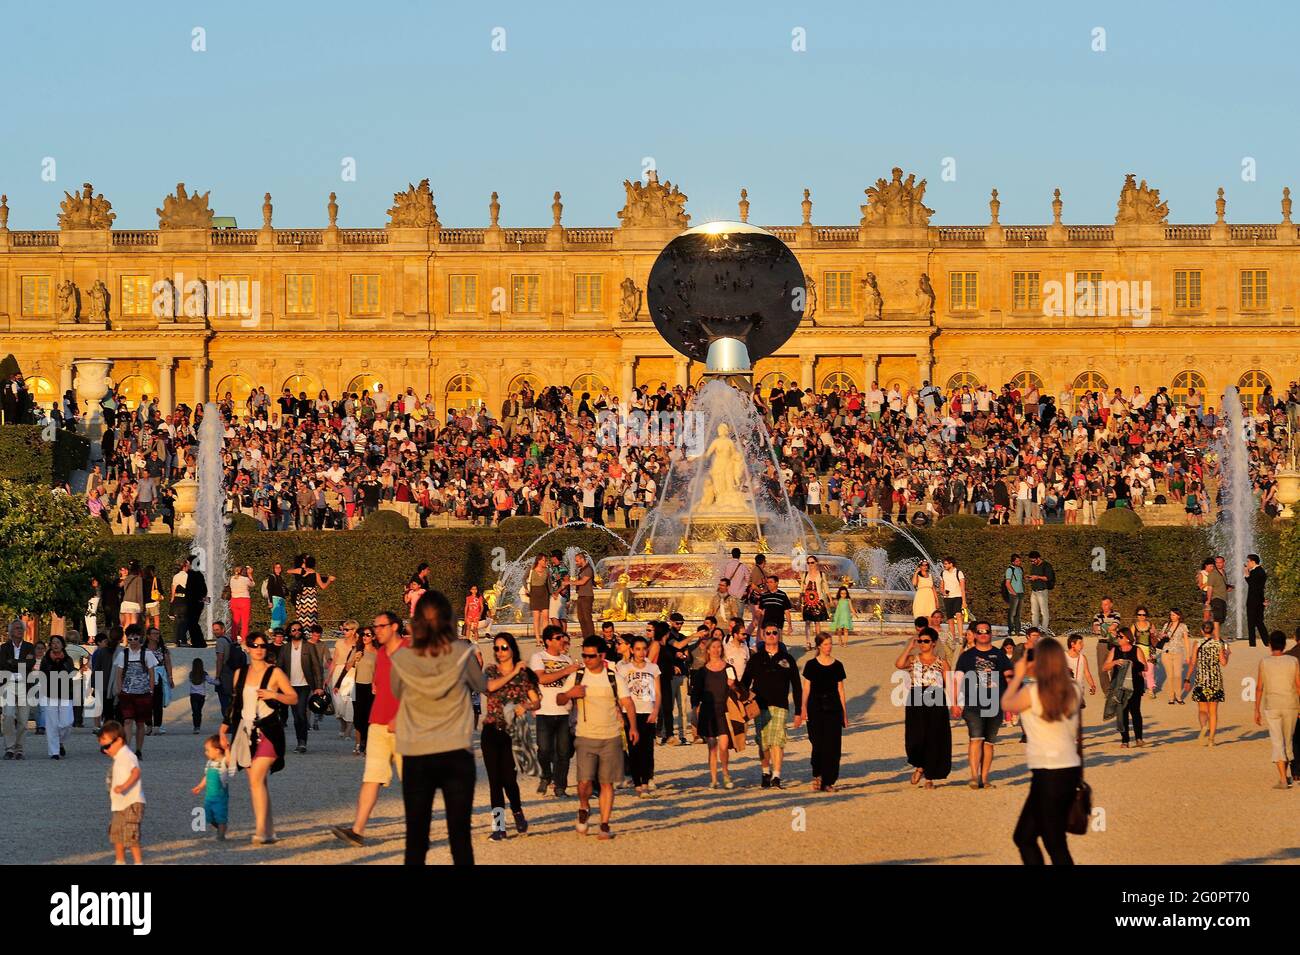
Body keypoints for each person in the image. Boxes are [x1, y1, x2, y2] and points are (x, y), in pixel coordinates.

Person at [390, 591, 486, 865]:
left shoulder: (402, 659)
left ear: (416, 621)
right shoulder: (462, 652)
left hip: (417, 752)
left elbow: (398, 692)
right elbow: (480, 685)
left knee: (416, 838)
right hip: (455, 750)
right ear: (449, 619)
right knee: (460, 837)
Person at [330, 612, 407, 848]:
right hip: (378, 724)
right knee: (371, 778)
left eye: (381, 626)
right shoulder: (382, 653)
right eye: (375, 627)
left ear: (394, 626)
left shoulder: (411, 650)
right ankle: (357, 830)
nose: (376, 631)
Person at [1002, 638, 1082, 865]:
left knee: (1051, 842)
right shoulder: (1074, 689)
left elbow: (1007, 704)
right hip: (1068, 770)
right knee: (1027, 837)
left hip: (1048, 773)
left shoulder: (1033, 692)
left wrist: (1018, 674)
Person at [557, 635, 637, 841]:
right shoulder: (577, 677)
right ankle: (584, 806)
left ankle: (604, 824)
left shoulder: (614, 678)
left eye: (590, 656)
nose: (586, 659)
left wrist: (633, 727)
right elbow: (559, 698)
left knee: (606, 783)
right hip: (585, 735)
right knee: (584, 783)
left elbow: (628, 703)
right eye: (584, 655)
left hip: (610, 736)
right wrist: (570, 694)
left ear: (602, 656)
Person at [220, 632, 296, 845]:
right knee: (258, 783)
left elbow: (293, 697)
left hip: (269, 731)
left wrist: (275, 695)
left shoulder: (276, 672)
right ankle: (269, 831)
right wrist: (223, 729)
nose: (259, 649)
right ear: (247, 647)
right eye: (254, 645)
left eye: (263, 645)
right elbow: (235, 704)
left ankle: (261, 830)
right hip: (246, 733)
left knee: (255, 781)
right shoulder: (240, 673)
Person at [481, 632, 539, 840]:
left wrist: (526, 705)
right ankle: (499, 827)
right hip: (490, 730)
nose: (500, 652)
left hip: (511, 733)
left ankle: (517, 810)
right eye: (496, 648)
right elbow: (490, 687)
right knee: (494, 781)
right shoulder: (490, 670)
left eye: (504, 647)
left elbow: (536, 700)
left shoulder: (524, 675)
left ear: (512, 648)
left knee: (508, 779)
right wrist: (513, 671)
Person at [741, 624, 802, 788]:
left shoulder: (787, 659)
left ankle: (776, 775)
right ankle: (766, 772)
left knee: (777, 740)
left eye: (774, 633)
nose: (771, 635)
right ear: (763, 635)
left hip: (781, 705)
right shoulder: (756, 658)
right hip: (760, 705)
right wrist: (741, 703)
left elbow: (796, 685)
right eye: (768, 633)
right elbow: (745, 682)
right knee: (763, 742)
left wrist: (799, 712)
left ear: (779, 635)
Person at [952, 620, 1009, 789]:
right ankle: (973, 776)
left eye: (987, 631)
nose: (984, 634)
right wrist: (954, 703)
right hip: (973, 704)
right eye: (980, 631)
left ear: (991, 634)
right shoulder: (967, 656)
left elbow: (1009, 676)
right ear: (975, 635)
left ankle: (984, 778)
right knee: (976, 738)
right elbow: (957, 681)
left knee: (989, 743)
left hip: (995, 704)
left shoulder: (999, 655)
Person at [895, 627, 951, 788]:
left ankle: (929, 777)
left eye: (926, 641)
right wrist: (909, 648)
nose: (922, 644)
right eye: (920, 641)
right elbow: (899, 664)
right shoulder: (913, 659)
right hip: (916, 698)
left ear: (933, 643)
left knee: (933, 739)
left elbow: (949, 683)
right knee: (915, 738)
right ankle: (920, 765)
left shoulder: (942, 661)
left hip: (936, 699)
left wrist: (953, 704)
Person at [529, 625, 577, 798]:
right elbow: (541, 678)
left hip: (564, 711)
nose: (562, 640)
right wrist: (565, 671)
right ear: (548, 641)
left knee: (563, 752)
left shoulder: (568, 660)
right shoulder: (538, 657)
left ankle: (560, 787)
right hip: (544, 709)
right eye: (558, 638)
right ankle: (546, 775)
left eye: (562, 637)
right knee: (544, 750)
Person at [801, 632, 847, 792]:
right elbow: (806, 689)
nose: (829, 647)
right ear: (819, 645)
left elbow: (841, 690)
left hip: (833, 709)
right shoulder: (811, 665)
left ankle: (828, 781)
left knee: (833, 747)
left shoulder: (838, 665)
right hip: (815, 708)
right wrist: (803, 709)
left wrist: (844, 715)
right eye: (826, 644)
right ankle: (817, 774)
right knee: (818, 744)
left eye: (830, 643)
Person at [1254, 631, 1300, 788]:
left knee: (1277, 741)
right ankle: (1284, 775)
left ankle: (1282, 778)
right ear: (1285, 644)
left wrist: (1256, 709)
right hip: (1291, 705)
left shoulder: (1264, 662)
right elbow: (1298, 686)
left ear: (1270, 645)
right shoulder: (1293, 660)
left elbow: (1259, 688)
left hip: (1272, 705)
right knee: (1287, 741)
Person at [616, 635, 660, 796]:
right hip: (630, 712)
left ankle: (646, 780)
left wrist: (655, 710)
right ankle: (637, 782)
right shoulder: (624, 669)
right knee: (634, 748)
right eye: (638, 649)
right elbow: (620, 692)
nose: (641, 652)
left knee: (647, 749)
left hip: (648, 710)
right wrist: (619, 712)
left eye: (644, 649)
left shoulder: (653, 668)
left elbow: (658, 692)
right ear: (632, 650)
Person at [691, 636, 737, 789]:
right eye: (714, 647)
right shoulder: (702, 672)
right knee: (712, 746)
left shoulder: (729, 668)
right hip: (708, 712)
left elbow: (739, 691)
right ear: (708, 650)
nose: (716, 650)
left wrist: (733, 686)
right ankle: (714, 779)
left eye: (719, 647)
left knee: (724, 745)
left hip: (724, 710)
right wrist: (694, 713)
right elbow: (696, 695)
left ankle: (725, 774)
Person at [98, 720, 146, 864]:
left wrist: (124, 786)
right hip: (119, 804)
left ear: (118, 741)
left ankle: (138, 862)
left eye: (107, 746)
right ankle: (120, 860)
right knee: (116, 833)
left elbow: (136, 772)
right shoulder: (119, 757)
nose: (106, 750)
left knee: (130, 835)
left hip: (132, 802)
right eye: (102, 748)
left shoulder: (127, 755)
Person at [111, 625, 156, 760]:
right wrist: (119, 689)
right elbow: (119, 673)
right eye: (129, 638)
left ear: (140, 638)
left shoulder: (147, 654)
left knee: (140, 723)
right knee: (128, 721)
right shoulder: (122, 654)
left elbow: (151, 673)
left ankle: (138, 750)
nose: (132, 640)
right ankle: (126, 750)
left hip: (143, 693)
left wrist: (151, 689)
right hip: (127, 693)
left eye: (135, 637)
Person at [279, 624, 324, 753]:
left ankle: (302, 742)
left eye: (299, 629)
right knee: (296, 715)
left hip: (304, 685)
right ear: (289, 632)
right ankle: (300, 741)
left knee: (301, 713)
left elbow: (317, 667)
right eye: (294, 630)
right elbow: (279, 667)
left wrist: (319, 686)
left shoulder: (309, 647)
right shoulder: (285, 648)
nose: (297, 631)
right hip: (290, 686)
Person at [1103, 627, 1147, 747]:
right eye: (1117, 636)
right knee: (1122, 713)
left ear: (1128, 638)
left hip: (1135, 685)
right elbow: (1105, 667)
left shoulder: (1136, 650)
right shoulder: (1114, 650)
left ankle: (1139, 738)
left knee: (1135, 712)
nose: (1118, 638)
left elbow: (1145, 667)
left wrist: (1133, 664)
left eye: (1120, 636)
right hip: (1119, 686)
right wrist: (1115, 662)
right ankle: (1125, 740)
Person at [1187, 621, 1229, 746]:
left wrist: (1187, 678)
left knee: (1202, 709)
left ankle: (1204, 726)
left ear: (1202, 631)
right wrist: (1227, 655)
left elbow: (1193, 662)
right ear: (1212, 631)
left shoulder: (1197, 643)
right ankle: (1211, 739)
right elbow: (1223, 663)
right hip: (1215, 679)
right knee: (1213, 711)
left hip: (1201, 679)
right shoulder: (1218, 644)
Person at [1, 620, 36, 759]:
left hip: (24, 685)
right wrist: (21, 663)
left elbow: (30, 663)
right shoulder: (4, 647)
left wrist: (12, 662)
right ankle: (9, 748)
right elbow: (2, 663)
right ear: (10, 632)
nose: (20, 630)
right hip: (8, 683)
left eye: (21, 628)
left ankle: (19, 749)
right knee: (8, 715)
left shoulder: (29, 647)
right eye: (16, 628)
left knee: (23, 720)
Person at [38, 636, 76, 759]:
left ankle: (60, 741)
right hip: (51, 694)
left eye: (58, 642)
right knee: (52, 724)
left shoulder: (68, 659)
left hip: (66, 693)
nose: (55, 645)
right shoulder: (46, 660)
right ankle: (54, 752)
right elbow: (42, 675)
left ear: (62, 645)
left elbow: (70, 674)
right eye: (53, 643)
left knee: (67, 723)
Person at [190, 735, 231, 840]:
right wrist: (200, 786)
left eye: (208, 750)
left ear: (217, 750)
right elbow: (207, 776)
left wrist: (227, 749)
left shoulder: (224, 762)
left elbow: (230, 760)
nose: (205, 753)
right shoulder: (209, 763)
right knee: (208, 815)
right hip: (209, 796)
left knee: (220, 815)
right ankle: (220, 827)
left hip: (220, 796)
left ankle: (221, 835)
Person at [288, 555, 334, 629]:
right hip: (311, 596)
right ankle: (310, 630)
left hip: (302, 594)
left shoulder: (300, 570)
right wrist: (329, 580)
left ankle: (301, 629)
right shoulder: (316, 574)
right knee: (311, 615)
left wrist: (301, 568)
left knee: (301, 615)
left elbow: (288, 571)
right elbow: (323, 586)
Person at [351, 625, 377, 755]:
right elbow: (347, 667)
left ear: (373, 637)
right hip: (357, 685)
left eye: (368, 635)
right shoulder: (357, 650)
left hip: (371, 687)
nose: (365, 637)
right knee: (358, 717)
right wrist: (355, 659)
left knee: (369, 716)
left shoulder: (377, 652)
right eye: (363, 635)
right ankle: (359, 741)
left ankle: (366, 744)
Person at [1157, 608, 1191, 704]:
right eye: (1171, 615)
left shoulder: (1183, 626)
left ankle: (1179, 696)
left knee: (1178, 675)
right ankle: (1171, 697)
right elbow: (1160, 637)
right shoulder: (1166, 625)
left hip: (1178, 652)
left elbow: (1186, 641)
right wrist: (1161, 635)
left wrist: (1188, 656)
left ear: (1179, 616)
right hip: (1166, 652)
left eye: (1174, 615)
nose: (1172, 616)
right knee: (1170, 676)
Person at [1091, 597, 1122, 695]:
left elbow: (1114, 626)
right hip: (1101, 644)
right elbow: (1095, 629)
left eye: (1106, 604)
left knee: (1114, 668)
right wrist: (1108, 628)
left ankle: (1115, 689)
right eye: (1103, 604)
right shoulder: (1097, 615)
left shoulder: (1116, 614)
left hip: (1113, 644)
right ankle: (1107, 692)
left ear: (1111, 604)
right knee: (1102, 669)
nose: (1104, 606)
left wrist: (1103, 627)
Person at [799, 556, 831, 648]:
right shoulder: (805, 575)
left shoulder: (821, 574)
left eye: (812, 562)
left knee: (817, 622)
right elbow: (802, 588)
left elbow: (825, 586)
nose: (810, 565)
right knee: (807, 622)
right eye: (808, 563)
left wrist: (830, 598)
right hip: (807, 601)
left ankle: (818, 642)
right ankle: (808, 642)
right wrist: (800, 600)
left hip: (818, 600)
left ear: (816, 563)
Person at [938, 557, 967, 644]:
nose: (944, 565)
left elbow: (962, 588)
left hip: (957, 597)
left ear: (951, 564)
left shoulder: (959, 573)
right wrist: (943, 592)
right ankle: (953, 637)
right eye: (944, 563)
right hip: (947, 598)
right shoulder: (943, 573)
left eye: (946, 564)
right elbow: (941, 586)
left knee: (958, 615)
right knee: (950, 618)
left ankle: (961, 637)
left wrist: (964, 601)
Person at [1064, 634, 1097, 706]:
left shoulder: (1083, 658)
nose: (1082, 645)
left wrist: (1092, 685)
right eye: (1080, 643)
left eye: (1082, 643)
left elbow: (1087, 673)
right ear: (1072, 644)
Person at [758, 574, 794, 642]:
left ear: (776, 583)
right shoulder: (764, 595)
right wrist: (760, 627)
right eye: (767, 582)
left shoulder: (782, 595)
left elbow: (786, 611)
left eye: (771, 582)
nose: (768, 584)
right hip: (766, 624)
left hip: (778, 624)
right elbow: (761, 612)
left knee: (779, 642)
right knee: (767, 643)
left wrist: (789, 625)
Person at [1026, 551, 1055, 631]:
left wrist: (1037, 577)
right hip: (1034, 591)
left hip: (1042, 591)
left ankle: (1044, 630)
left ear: (1038, 558)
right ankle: (1034, 630)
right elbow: (1034, 576)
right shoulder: (1033, 566)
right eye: (1031, 561)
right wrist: (1030, 578)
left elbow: (1048, 578)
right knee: (1034, 612)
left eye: (1033, 560)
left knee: (1044, 612)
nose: (1032, 562)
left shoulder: (1046, 565)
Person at [187, 659, 219, 733]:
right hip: (201, 695)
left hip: (193, 695)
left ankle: (196, 727)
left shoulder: (191, 674)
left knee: (195, 712)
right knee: (199, 711)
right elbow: (211, 681)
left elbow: (190, 681)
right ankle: (198, 726)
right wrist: (218, 682)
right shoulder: (204, 674)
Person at [1245, 554, 1268, 648]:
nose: (1247, 563)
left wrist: (1246, 575)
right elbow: (1259, 588)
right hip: (1259, 600)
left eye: (1248, 561)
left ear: (1253, 562)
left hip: (1253, 601)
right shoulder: (1261, 571)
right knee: (1259, 622)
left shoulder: (1255, 572)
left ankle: (1252, 644)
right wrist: (1263, 600)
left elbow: (1253, 585)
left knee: (1251, 623)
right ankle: (1267, 642)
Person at [526, 555, 550, 645]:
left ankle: (545, 638)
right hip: (534, 594)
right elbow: (524, 579)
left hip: (544, 593)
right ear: (539, 561)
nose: (545, 562)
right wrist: (526, 588)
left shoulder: (547, 570)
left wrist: (552, 593)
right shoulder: (531, 569)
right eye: (544, 560)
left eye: (546, 560)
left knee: (545, 617)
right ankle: (537, 638)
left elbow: (549, 583)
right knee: (536, 617)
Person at [572, 552, 596, 639]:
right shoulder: (582, 569)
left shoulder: (588, 569)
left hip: (587, 596)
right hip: (581, 596)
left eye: (577, 561)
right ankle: (586, 638)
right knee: (581, 618)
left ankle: (592, 638)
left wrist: (569, 582)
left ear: (582, 559)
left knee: (587, 618)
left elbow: (582, 582)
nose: (576, 563)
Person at [228, 566, 254, 642]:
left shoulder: (232, 578)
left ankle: (233, 638)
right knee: (244, 622)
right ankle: (244, 639)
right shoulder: (245, 579)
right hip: (244, 600)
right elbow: (252, 584)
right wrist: (250, 574)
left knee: (235, 621)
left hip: (234, 601)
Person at [1003, 553, 1025, 636]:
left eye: (1019, 560)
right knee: (1012, 613)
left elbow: (1020, 580)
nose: (1019, 562)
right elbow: (1007, 583)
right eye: (1017, 561)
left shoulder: (1020, 569)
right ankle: (1011, 629)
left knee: (1018, 613)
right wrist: (1013, 592)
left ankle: (1018, 630)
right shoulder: (1009, 570)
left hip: (1021, 593)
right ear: (1013, 562)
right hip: (1014, 594)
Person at [264, 563, 288, 631]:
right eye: (276, 567)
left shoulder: (281, 577)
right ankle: (272, 632)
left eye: (279, 567)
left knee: (283, 617)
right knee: (276, 617)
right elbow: (269, 589)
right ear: (273, 569)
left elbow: (284, 590)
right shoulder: (272, 577)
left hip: (282, 599)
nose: (278, 569)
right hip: (275, 599)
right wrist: (270, 601)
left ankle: (279, 632)